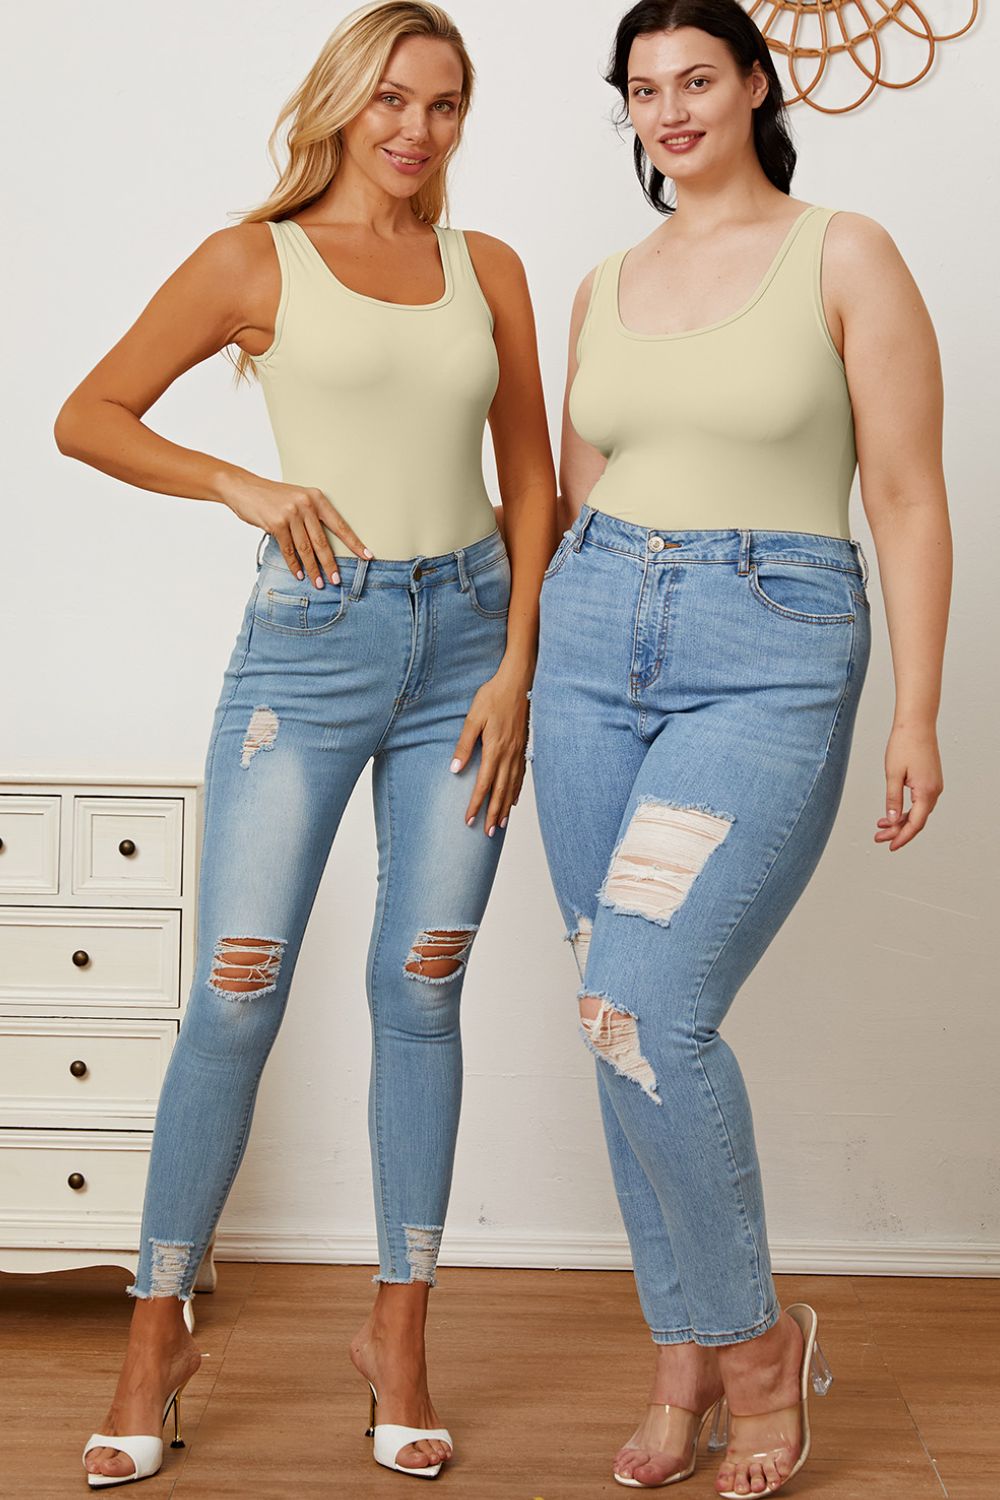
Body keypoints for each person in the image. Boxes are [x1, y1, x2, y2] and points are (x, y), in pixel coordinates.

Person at [55, 2, 555, 1485]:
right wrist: (238, 482)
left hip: (469, 643)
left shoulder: (492, 270)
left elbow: (531, 479)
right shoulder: (249, 261)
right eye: (393, 99)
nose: (416, 131)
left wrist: (519, 660)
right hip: (314, 648)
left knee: (425, 991)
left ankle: (397, 1338)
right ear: (341, 102)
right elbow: (88, 414)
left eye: (447, 106)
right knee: (236, 997)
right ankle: (157, 1337)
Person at [528, 1, 949, 1494]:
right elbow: (575, 502)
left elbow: (902, 493)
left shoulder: (845, 252)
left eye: (696, 78)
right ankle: (683, 1356)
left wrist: (914, 706)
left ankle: (763, 1347)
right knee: (607, 1007)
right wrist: (521, 672)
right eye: (642, 89)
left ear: (756, 84)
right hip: (590, 650)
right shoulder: (603, 282)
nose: (669, 108)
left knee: (647, 994)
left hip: (766, 653)